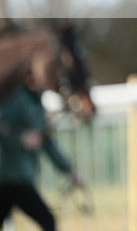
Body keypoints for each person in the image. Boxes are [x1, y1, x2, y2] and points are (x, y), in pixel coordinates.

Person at [0, 83, 82, 231]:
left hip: (19, 178)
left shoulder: (36, 102)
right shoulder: (15, 98)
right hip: (11, 178)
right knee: (48, 221)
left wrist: (69, 171)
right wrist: (20, 138)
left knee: (48, 222)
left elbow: (47, 143)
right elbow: (4, 129)